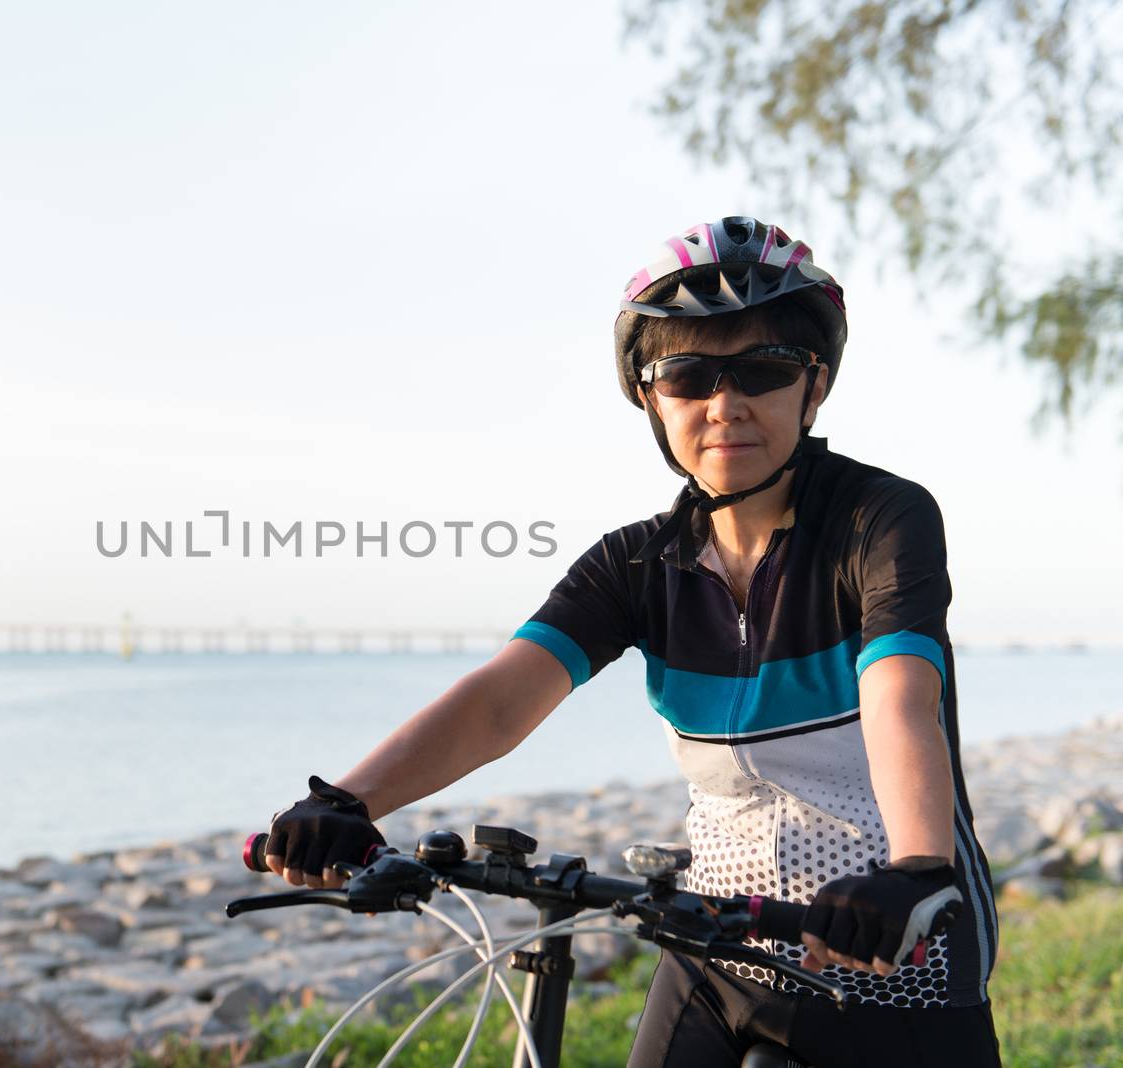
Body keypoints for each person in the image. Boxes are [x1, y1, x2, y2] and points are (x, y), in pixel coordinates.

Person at [259, 217, 1001, 1066]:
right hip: (718, 942)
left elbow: (901, 699)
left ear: (815, 385)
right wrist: (350, 803)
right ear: (652, 398)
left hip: (885, 941)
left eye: (763, 371)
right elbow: (502, 700)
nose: (726, 406)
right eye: (688, 376)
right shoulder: (636, 563)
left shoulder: (880, 520)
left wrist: (913, 870)